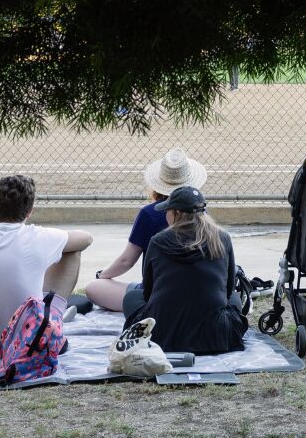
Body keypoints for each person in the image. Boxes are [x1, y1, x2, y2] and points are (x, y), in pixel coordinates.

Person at [0, 174, 95, 357]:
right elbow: (86, 239)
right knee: (72, 251)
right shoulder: (40, 236)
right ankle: (51, 319)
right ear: (30, 210)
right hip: (27, 341)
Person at [128, 184, 249, 356]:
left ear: (176, 213)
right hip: (216, 335)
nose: (165, 215)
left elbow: (148, 292)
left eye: (167, 211)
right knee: (235, 298)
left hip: (162, 334)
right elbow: (228, 289)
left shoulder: (157, 241)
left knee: (132, 297)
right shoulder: (222, 238)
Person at [85, 147, 207, 315]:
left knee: (93, 287)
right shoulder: (203, 216)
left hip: (158, 294)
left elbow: (126, 261)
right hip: (197, 294)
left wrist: (102, 275)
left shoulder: (150, 214)